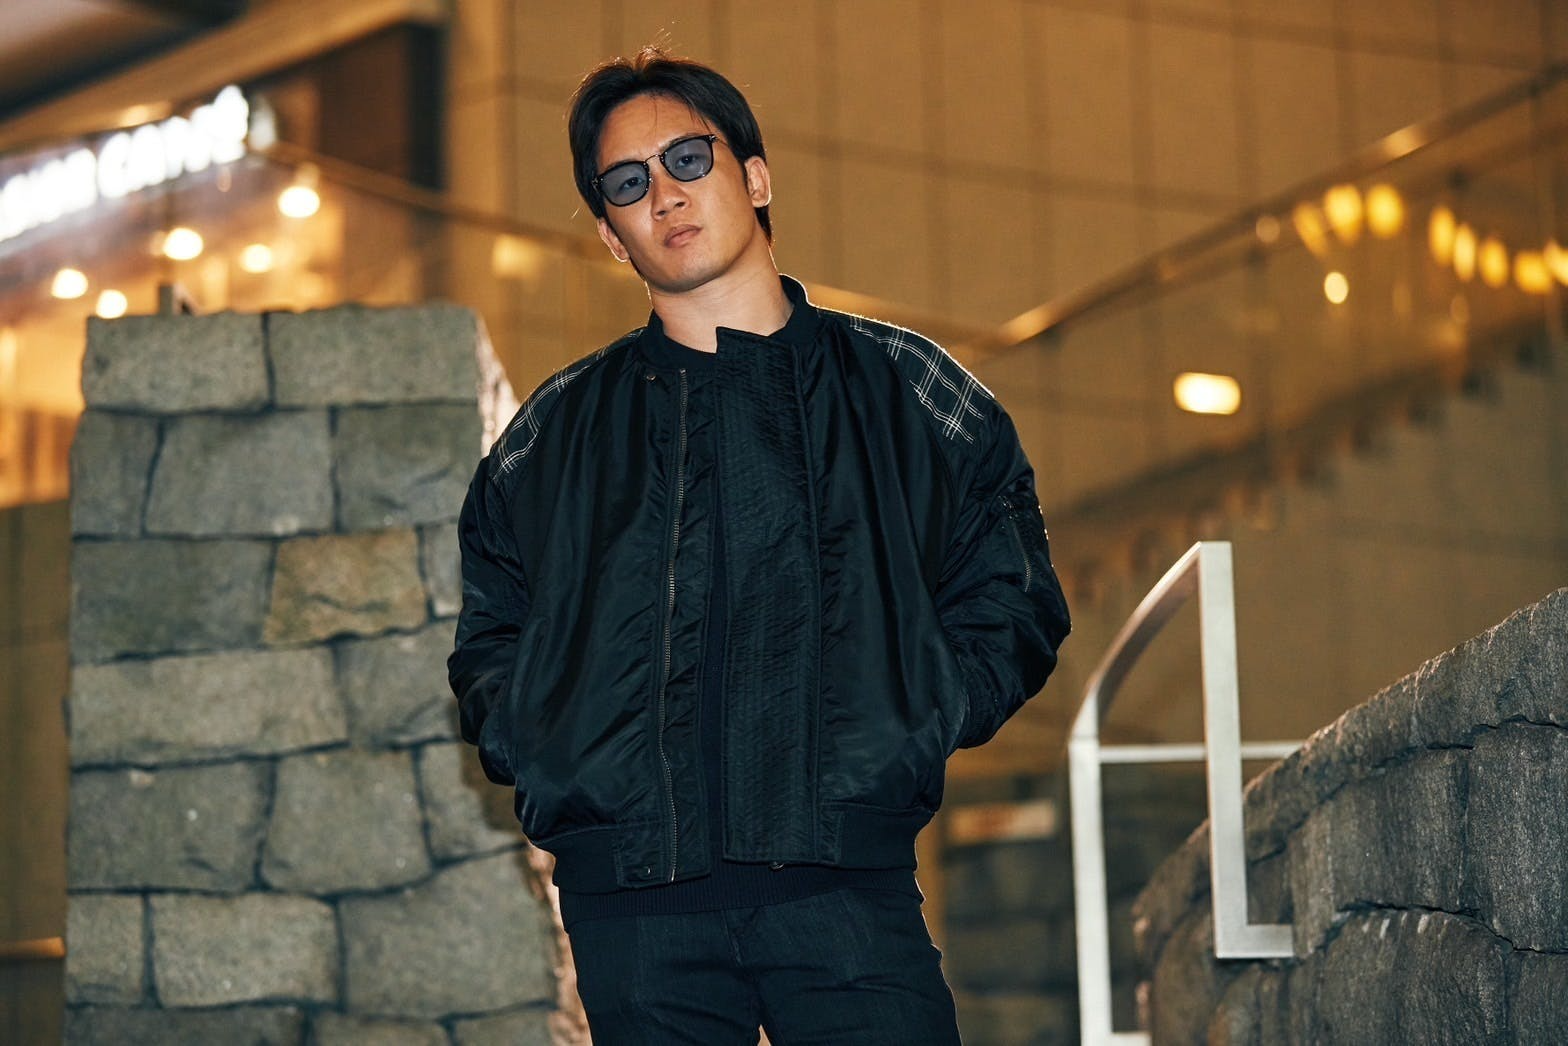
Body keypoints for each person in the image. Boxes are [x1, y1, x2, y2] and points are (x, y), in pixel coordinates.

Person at [449, 45, 1070, 1045]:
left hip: (845, 886)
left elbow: (1011, 589)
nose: (664, 194)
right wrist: (546, 743)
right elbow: (491, 625)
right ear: (610, 235)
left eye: (688, 159)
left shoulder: (906, 388)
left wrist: (914, 717)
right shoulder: (554, 433)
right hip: (633, 911)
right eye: (626, 184)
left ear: (756, 177)